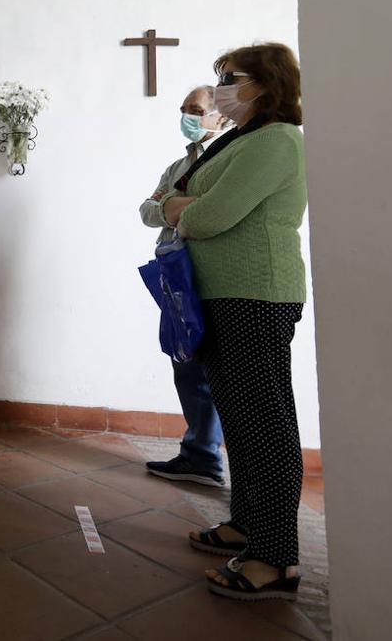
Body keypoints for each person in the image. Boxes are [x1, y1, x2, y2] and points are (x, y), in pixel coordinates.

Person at [159, 42, 307, 601]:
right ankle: (247, 524)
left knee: (263, 422)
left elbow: (209, 215)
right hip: (224, 294)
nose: (219, 86)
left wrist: (181, 209)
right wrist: (182, 204)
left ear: (267, 85)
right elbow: (178, 195)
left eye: (230, 77)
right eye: (219, 76)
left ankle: (275, 557)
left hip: (256, 295)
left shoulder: (276, 141)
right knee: (240, 418)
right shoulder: (239, 138)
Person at [139, 86, 229, 487]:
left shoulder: (227, 157)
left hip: (210, 272)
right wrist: (171, 208)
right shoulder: (179, 166)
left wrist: (173, 209)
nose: (187, 117)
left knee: (212, 369)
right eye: (184, 110)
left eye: (195, 110)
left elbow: (209, 211)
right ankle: (198, 453)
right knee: (185, 362)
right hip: (176, 274)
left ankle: (207, 455)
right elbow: (148, 210)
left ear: (220, 116)